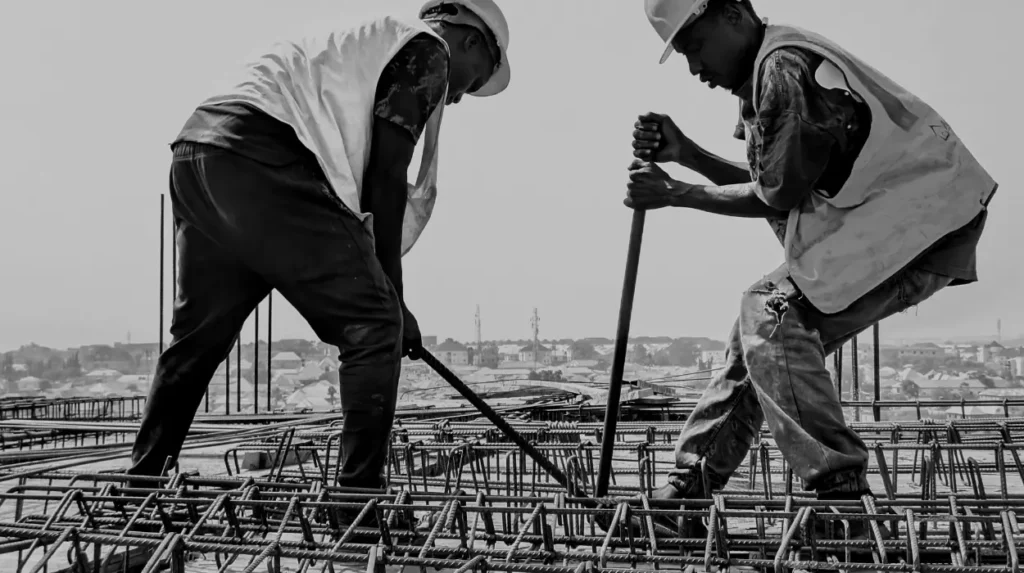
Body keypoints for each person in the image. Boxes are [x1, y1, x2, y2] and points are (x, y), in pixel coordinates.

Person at [623, 0, 996, 541]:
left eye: (695, 47)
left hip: (920, 220)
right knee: (761, 337)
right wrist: (688, 155)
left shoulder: (784, 70)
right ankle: (688, 491)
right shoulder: (774, 66)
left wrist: (676, 192)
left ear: (731, 13)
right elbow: (781, 185)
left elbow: (778, 195)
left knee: (769, 311)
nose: (695, 69)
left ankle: (843, 503)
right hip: (916, 220)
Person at [127, 0, 512, 498]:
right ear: (471, 41)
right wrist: (393, 302)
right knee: (373, 326)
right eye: (473, 82)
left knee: (197, 340)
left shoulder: (361, 40)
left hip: (202, 150)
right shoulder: (428, 51)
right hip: (264, 155)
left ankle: (140, 485)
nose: (458, 98)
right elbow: (387, 179)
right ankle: (356, 505)